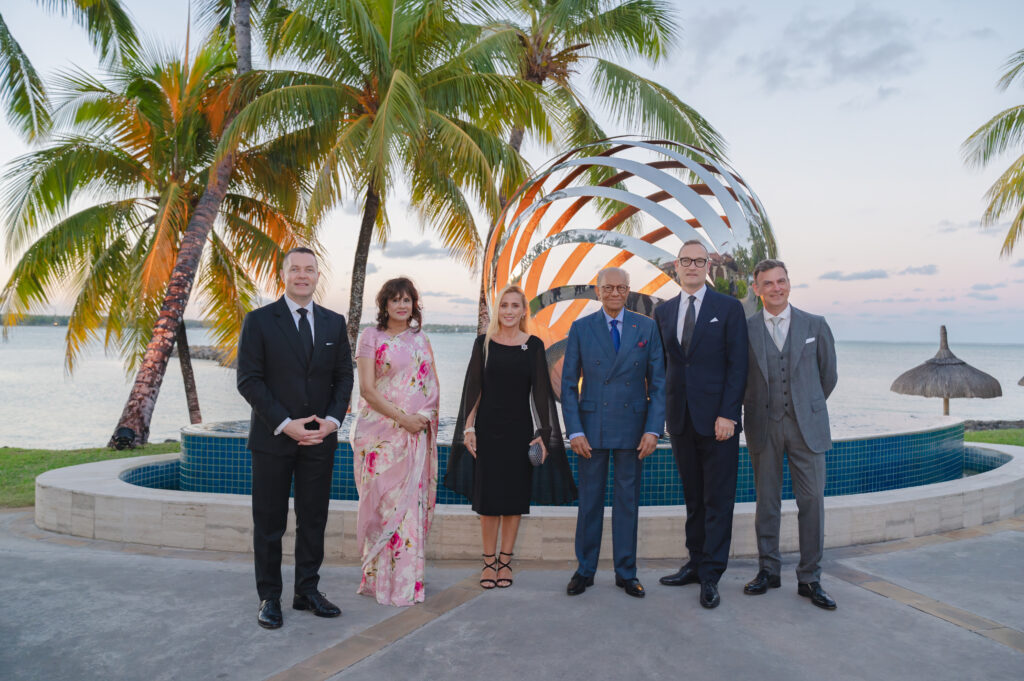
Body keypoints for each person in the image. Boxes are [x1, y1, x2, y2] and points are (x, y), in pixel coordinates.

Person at [237, 247, 353, 630]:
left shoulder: (334, 323)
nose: (302, 275)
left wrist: (332, 422)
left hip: (320, 440)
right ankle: (269, 597)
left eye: (309, 269)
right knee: (269, 523)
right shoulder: (259, 321)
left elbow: (344, 377)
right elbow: (249, 381)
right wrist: (286, 424)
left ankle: (307, 590)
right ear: (283, 274)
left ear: (318, 275)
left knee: (313, 519)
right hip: (273, 439)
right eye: (295, 269)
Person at [445, 285, 577, 589]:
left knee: (514, 500)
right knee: (488, 500)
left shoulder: (534, 345)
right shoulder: (483, 344)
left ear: (523, 311)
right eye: (504, 305)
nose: (508, 311)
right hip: (487, 432)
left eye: (514, 305)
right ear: (498, 309)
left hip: (519, 433)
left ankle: (505, 561)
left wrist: (544, 434)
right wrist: (468, 428)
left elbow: (541, 392)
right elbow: (473, 389)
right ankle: (488, 562)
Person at [654, 239, 748, 609]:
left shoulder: (728, 308)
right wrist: (661, 414)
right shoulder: (664, 311)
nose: (692, 266)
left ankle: (711, 574)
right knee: (693, 498)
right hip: (680, 420)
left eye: (699, 260)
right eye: (685, 260)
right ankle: (694, 563)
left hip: (718, 422)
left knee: (718, 500)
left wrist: (729, 414)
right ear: (676, 266)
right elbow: (664, 367)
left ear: (708, 266)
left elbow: (738, 365)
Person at [561, 267, 666, 599]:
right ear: (598, 291)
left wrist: (653, 429)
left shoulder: (646, 327)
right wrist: (574, 430)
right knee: (589, 502)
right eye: (608, 287)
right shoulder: (581, 328)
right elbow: (568, 386)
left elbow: (659, 384)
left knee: (627, 502)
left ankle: (626, 572)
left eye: (621, 288)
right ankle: (585, 570)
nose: (615, 293)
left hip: (633, 428)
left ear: (628, 291)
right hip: (591, 428)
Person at [741, 259, 838, 610]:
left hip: (806, 427)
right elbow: (740, 377)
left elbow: (828, 376)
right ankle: (768, 570)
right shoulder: (746, 329)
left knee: (811, 502)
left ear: (789, 283)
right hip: (763, 425)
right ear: (757, 289)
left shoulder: (816, 324)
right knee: (767, 502)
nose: (776, 288)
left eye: (781, 281)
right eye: (768, 283)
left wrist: (805, 406)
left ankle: (810, 577)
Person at [351, 277, 440, 606]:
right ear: (385, 304)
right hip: (380, 439)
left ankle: (406, 585)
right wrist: (402, 418)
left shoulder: (422, 340)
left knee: (408, 513)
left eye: (407, 300)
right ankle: (378, 582)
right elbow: (367, 390)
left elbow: (432, 388)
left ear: (414, 305)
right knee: (383, 508)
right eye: (395, 300)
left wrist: (422, 418)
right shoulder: (370, 337)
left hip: (413, 436)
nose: (402, 306)